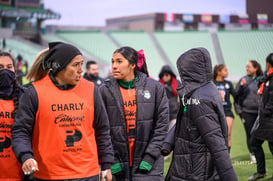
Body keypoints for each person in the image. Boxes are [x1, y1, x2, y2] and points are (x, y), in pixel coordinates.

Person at [11, 42, 114, 181]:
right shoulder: (34, 92)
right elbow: (21, 131)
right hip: (48, 175)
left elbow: (102, 130)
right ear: (59, 67)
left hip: (87, 174)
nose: (80, 70)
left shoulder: (92, 90)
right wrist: (26, 156)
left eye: (81, 64)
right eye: (75, 65)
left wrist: (106, 164)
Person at [163, 48, 237, 181]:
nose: (182, 75)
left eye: (183, 71)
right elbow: (185, 120)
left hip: (195, 171)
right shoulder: (199, 91)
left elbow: (217, 146)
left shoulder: (200, 98)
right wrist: (167, 143)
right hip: (189, 165)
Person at [99, 47, 169, 181]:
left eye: (119, 61)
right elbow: (101, 129)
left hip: (149, 165)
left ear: (132, 65)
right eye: (112, 61)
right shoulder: (103, 90)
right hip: (117, 165)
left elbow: (162, 126)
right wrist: (111, 160)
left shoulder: (155, 88)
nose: (114, 66)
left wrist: (150, 157)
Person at [248, 53, 273, 181]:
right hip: (265, 119)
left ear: (268, 63)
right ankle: (261, 171)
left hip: (269, 119)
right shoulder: (268, 76)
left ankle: (261, 172)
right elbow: (261, 87)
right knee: (255, 143)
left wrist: (267, 110)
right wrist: (264, 77)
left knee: (261, 144)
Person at [234, 60, 263, 164]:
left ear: (255, 68)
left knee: (262, 134)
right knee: (250, 133)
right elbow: (235, 95)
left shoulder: (262, 79)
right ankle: (253, 154)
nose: (247, 69)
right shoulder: (243, 80)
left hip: (261, 112)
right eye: (246, 67)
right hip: (247, 112)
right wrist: (239, 111)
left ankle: (259, 153)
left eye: (249, 67)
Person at [0, 51, 23, 180]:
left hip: (17, 174)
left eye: (9, 67)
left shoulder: (25, 98)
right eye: (0, 67)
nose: (5, 71)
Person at [213, 64, 235, 152]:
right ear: (218, 72)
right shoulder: (211, 83)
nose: (227, 72)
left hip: (227, 111)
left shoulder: (228, 84)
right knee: (216, 135)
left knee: (228, 134)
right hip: (214, 112)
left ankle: (226, 156)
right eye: (225, 70)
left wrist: (242, 86)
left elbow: (236, 95)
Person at [159, 65, 180, 130]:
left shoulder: (177, 84)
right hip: (164, 114)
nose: (165, 77)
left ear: (170, 75)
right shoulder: (159, 85)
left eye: (167, 75)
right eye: (163, 75)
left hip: (175, 114)